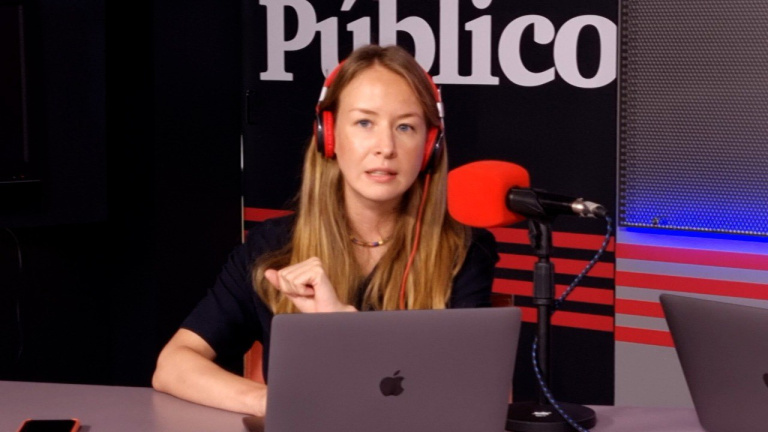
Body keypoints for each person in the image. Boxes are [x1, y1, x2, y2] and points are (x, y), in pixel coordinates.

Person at [151, 43, 499, 416]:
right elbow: (174, 365)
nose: (385, 147)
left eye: (405, 127)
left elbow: (467, 396)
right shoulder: (272, 246)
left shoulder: (463, 251)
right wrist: (270, 401)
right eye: (364, 123)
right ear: (327, 135)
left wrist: (343, 328)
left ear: (430, 146)